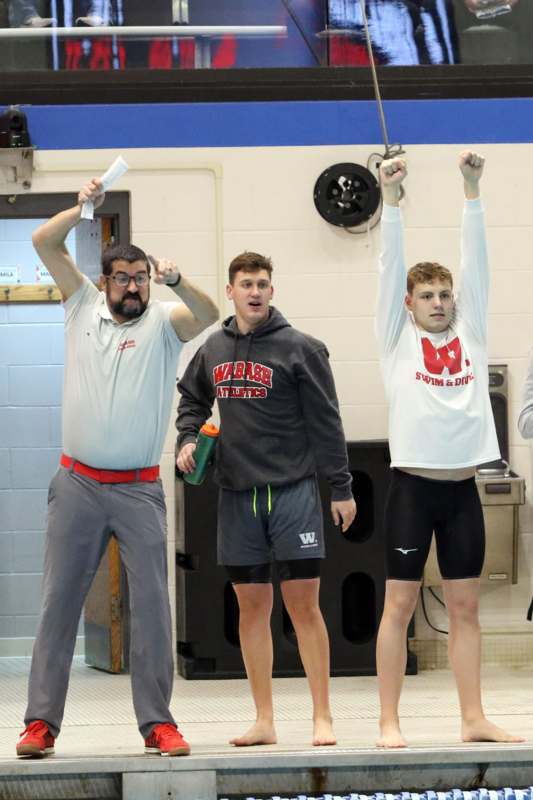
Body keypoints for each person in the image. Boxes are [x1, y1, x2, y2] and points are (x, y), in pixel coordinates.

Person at [16, 178, 219, 759]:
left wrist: (177, 281)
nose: (133, 286)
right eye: (123, 277)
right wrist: (82, 208)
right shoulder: (80, 304)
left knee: (152, 608)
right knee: (58, 604)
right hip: (77, 485)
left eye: (141, 277)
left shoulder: (163, 323)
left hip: (138, 490)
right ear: (104, 281)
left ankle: (158, 724)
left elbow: (209, 313)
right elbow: (43, 241)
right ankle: (40, 724)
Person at [176, 252, 356, 747]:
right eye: (246, 284)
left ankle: (322, 716)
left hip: (293, 491)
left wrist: (341, 488)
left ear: (272, 291)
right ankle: (264, 720)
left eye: (262, 284)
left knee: (303, 606)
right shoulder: (213, 348)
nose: (254, 292)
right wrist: (188, 438)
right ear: (230, 291)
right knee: (251, 608)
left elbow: (327, 422)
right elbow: (191, 401)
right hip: (238, 495)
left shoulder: (301, 348)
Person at [374, 151, 524, 748]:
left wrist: (472, 188)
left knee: (466, 608)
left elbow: (477, 262)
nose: (438, 302)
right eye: (426, 295)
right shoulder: (395, 339)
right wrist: (390, 200)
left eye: (444, 294)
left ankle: (473, 717)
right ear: (409, 303)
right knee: (399, 605)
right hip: (412, 489)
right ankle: (388, 721)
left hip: (463, 490)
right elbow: (389, 267)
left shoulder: (472, 332)